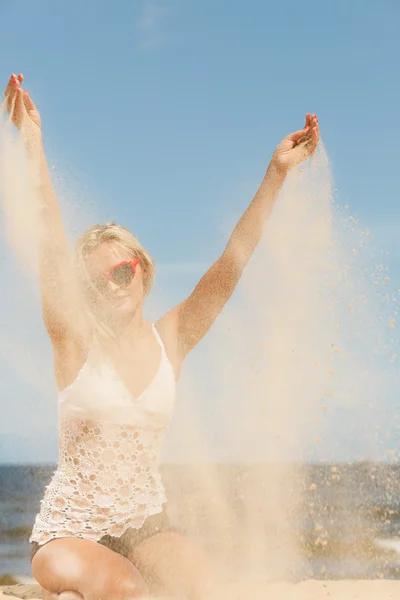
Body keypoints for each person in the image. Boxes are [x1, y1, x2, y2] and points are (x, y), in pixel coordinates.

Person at [4, 73, 319, 600]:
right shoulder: (73, 344)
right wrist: (31, 143)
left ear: (143, 270)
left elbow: (229, 268)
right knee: (126, 587)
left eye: (121, 272)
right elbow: (50, 247)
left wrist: (276, 174)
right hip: (67, 534)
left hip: (145, 525)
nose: (111, 287)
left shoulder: (169, 340)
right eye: (95, 282)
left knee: (205, 586)